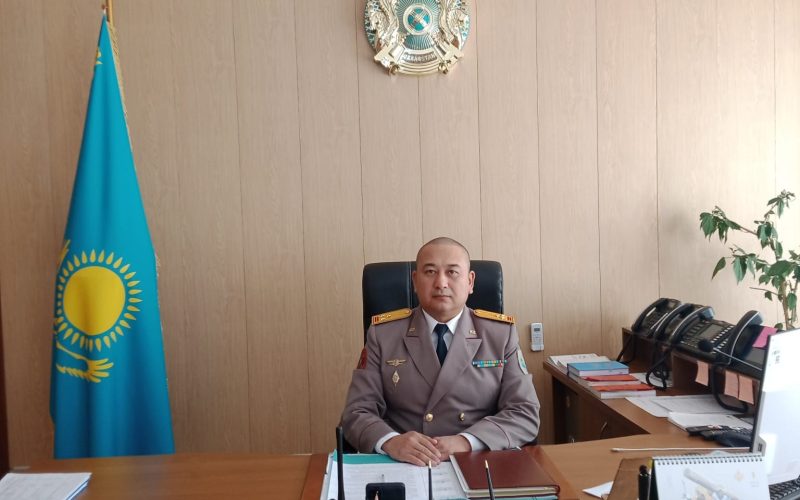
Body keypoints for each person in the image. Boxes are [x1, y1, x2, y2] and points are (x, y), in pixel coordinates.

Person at [341, 237, 540, 466]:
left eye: (452, 272)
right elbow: (356, 412)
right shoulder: (383, 335)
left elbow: (524, 412)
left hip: (476, 461)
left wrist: (467, 441)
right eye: (430, 272)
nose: (441, 283)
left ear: (470, 281)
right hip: (404, 464)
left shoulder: (500, 335)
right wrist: (391, 441)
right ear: (415, 281)